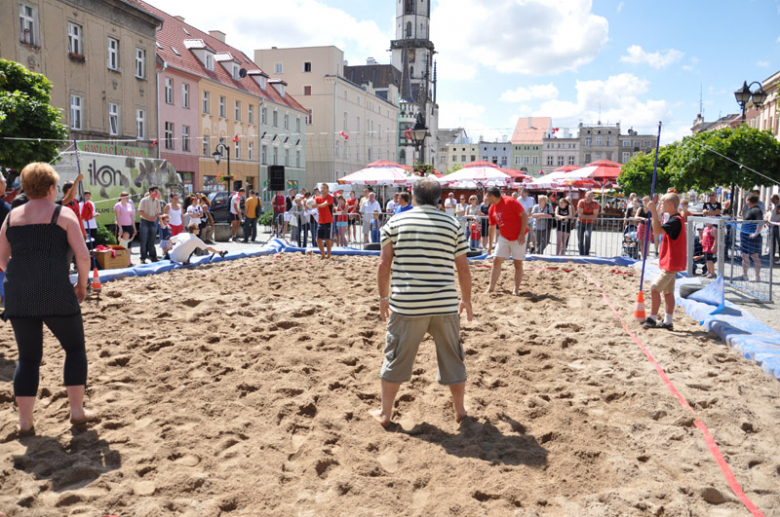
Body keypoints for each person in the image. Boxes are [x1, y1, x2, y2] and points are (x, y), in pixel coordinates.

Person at [0, 162, 97, 435]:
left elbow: (1, 257)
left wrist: (21, 275)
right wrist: (81, 285)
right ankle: (77, 412)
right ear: (52, 188)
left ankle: (24, 422)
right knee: (74, 349)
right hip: (55, 289)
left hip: (18, 293)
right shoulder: (62, 214)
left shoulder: (12, 216)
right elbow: (82, 255)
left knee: (28, 359)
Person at [371, 177, 472, 428]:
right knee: (453, 357)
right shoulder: (452, 223)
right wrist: (467, 299)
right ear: (439, 198)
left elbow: (384, 264)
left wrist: (383, 298)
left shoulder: (395, 221)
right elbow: (463, 266)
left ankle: (386, 414)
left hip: (408, 303)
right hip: (444, 302)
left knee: (395, 356)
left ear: (412, 196)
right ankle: (460, 410)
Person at [642, 193, 686, 330]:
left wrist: (653, 212)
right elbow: (659, 226)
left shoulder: (676, 220)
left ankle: (652, 319)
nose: (660, 204)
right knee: (668, 292)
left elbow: (656, 230)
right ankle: (668, 321)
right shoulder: (673, 218)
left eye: (663, 202)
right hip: (670, 262)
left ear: (671, 205)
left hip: (671, 263)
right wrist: (656, 211)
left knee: (655, 289)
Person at [485, 187, 529, 295]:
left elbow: (524, 216)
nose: (485, 198)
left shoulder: (510, 201)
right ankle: (491, 287)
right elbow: (491, 227)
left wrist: (522, 234)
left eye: (487, 195)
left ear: (492, 196)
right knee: (496, 260)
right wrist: (490, 245)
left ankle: (516, 289)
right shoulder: (492, 208)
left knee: (517, 263)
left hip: (518, 236)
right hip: (504, 236)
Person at [740, 195, 765, 282]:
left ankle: (757, 276)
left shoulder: (757, 210)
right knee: (744, 255)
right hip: (745, 237)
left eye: (746, 200)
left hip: (752, 238)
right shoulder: (750, 210)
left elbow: (761, 222)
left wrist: (756, 233)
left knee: (755, 256)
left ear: (749, 201)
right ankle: (744, 274)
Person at [138, 186, 162, 263]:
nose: (157, 193)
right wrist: (149, 217)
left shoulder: (157, 201)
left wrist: (156, 217)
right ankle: (143, 258)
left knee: (152, 240)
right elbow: (140, 211)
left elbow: (158, 212)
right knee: (143, 240)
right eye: (155, 191)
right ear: (151, 192)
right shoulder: (144, 200)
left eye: (157, 191)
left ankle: (153, 256)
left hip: (153, 222)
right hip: (144, 221)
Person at [60, 174, 86, 238]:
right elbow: (70, 196)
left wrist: (84, 232)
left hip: (79, 232)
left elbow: (79, 217)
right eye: (74, 189)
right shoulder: (62, 203)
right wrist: (77, 180)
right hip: (68, 234)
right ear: (69, 190)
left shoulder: (76, 201)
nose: (76, 192)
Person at [577, 190, 600, 256]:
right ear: (585, 195)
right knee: (580, 240)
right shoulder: (581, 202)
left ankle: (586, 253)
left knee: (587, 236)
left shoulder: (595, 203)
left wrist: (585, 216)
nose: (589, 197)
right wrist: (590, 216)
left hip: (590, 223)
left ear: (592, 197)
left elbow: (595, 216)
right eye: (588, 195)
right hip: (580, 222)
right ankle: (581, 254)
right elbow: (580, 215)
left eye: (591, 196)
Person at [315, 184, 335, 259]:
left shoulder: (330, 197)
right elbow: (312, 204)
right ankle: (323, 255)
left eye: (324, 188)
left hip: (328, 221)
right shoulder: (318, 198)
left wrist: (316, 205)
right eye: (321, 188)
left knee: (327, 240)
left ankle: (329, 255)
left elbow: (325, 204)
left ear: (327, 189)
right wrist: (306, 202)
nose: (322, 189)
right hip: (320, 221)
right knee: (318, 239)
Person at [518, 188, 535, 252]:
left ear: (527, 193)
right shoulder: (518, 199)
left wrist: (527, 216)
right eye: (522, 192)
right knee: (522, 234)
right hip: (521, 219)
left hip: (528, 220)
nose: (522, 194)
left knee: (528, 236)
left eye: (524, 192)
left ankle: (529, 247)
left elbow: (530, 209)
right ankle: (523, 249)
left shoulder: (530, 199)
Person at [769, 194, 780, 265]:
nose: (771, 201)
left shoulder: (779, 206)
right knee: (772, 241)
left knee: (779, 242)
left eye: (772, 199)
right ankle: (771, 255)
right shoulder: (774, 205)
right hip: (773, 225)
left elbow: (778, 215)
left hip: (776, 225)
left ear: (776, 199)